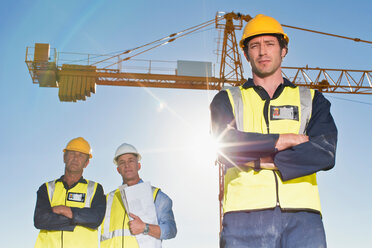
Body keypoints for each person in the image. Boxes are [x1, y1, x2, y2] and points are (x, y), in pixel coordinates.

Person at [210, 14, 338, 248]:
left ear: (283, 50)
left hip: (303, 217)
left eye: (269, 44)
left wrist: (257, 161)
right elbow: (225, 145)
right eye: (254, 46)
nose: (262, 52)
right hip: (243, 216)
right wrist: (283, 139)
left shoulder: (311, 99)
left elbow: (324, 152)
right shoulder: (227, 98)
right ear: (246, 53)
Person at [33, 137, 106, 248]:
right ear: (64, 157)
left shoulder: (95, 188)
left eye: (81, 155)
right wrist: (78, 219)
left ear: (86, 163)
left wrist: (65, 210)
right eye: (72, 153)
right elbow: (40, 220)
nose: (76, 158)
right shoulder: (47, 188)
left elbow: (96, 219)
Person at [100, 143, 177, 247]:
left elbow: (171, 230)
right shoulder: (108, 199)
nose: (127, 165)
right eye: (122, 162)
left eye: (131, 161)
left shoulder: (157, 196)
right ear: (118, 170)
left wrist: (145, 228)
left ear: (139, 166)